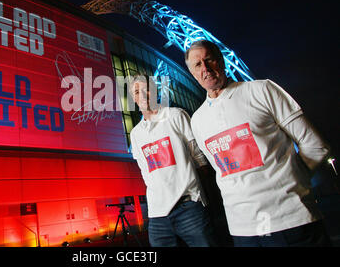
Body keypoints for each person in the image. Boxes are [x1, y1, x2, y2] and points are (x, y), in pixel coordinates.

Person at [185, 39, 332, 247]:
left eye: (209, 60)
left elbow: (315, 146)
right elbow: (221, 170)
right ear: (192, 72)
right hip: (243, 231)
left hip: (292, 223)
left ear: (221, 61)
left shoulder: (262, 90)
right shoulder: (198, 120)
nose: (205, 69)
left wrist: (292, 184)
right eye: (197, 65)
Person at [128, 73, 217, 247]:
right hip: (157, 215)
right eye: (137, 92)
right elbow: (145, 172)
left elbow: (199, 160)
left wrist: (199, 197)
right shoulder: (136, 134)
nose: (143, 95)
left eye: (147, 89)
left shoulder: (176, 115)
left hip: (189, 208)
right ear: (134, 98)